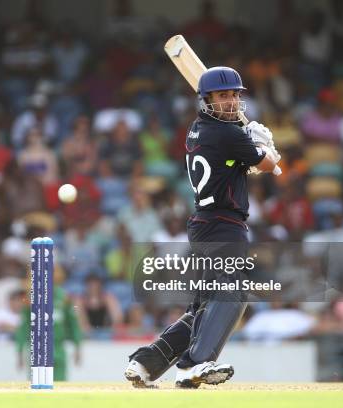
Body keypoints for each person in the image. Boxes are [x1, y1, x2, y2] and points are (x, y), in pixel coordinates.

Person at [124, 66, 281, 388]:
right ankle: (194, 363)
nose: (231, 101)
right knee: (232, 291)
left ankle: (146, 363)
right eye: (223, 96)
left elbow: (234, 164)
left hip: (205, 224)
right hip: (224, 224)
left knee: (206, 305)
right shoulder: (227, 133)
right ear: (207, 100)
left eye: (235, 95)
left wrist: (248, 148)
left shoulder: (198, 129)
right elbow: (268, 165)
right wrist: (265, 148)